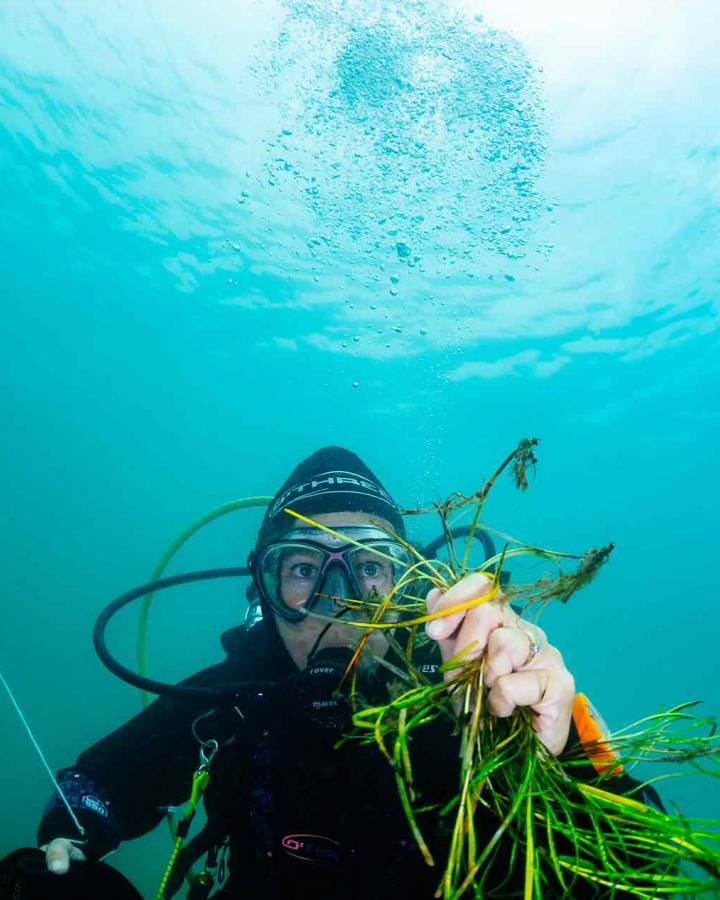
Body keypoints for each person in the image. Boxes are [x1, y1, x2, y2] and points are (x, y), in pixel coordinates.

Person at [19, 448, 656, 897]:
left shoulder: (475, 693)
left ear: (407, 586)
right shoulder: (232, 696)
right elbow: (96, 788)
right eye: (302, 570)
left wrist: (552, 756)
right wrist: (64, 847)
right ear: (265, 591)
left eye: (368, 568)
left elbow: (645, 860)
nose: (336, 605)